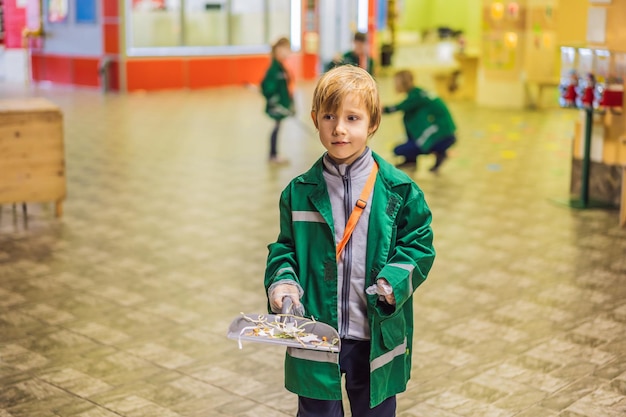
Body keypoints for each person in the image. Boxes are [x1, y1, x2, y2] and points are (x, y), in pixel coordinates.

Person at [264, 65, 436, 417]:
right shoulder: (299, 192)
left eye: (352, 118)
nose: (339, 128)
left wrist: (394, 280)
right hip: (316, 332)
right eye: (329, 116)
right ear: (315, 119)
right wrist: (282, 282)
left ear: (373, 123)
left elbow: (419, 245)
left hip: (374, 333)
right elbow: (285, 249)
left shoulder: (399, 191)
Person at [383, 70, 457, 172]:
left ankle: (439, 151)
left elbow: (396, 108)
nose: (394, 85)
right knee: (409, 121)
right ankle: (411, 159)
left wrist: (377, 109)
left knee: (398, 150)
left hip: (443, 134)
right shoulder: (417, 93)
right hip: (446, 131)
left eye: (396, 82)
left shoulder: (415, 96)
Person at [261, 37, 295, 164]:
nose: (288, 52)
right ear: (278, 50)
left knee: (278, 127)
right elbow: (266, 87)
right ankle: (273, 155)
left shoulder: (281, 66)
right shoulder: (274, 69)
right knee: (276, 127)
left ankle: (274, 154)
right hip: (276, 106)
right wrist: (273, 100)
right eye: (286, 49)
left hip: (283, 105)